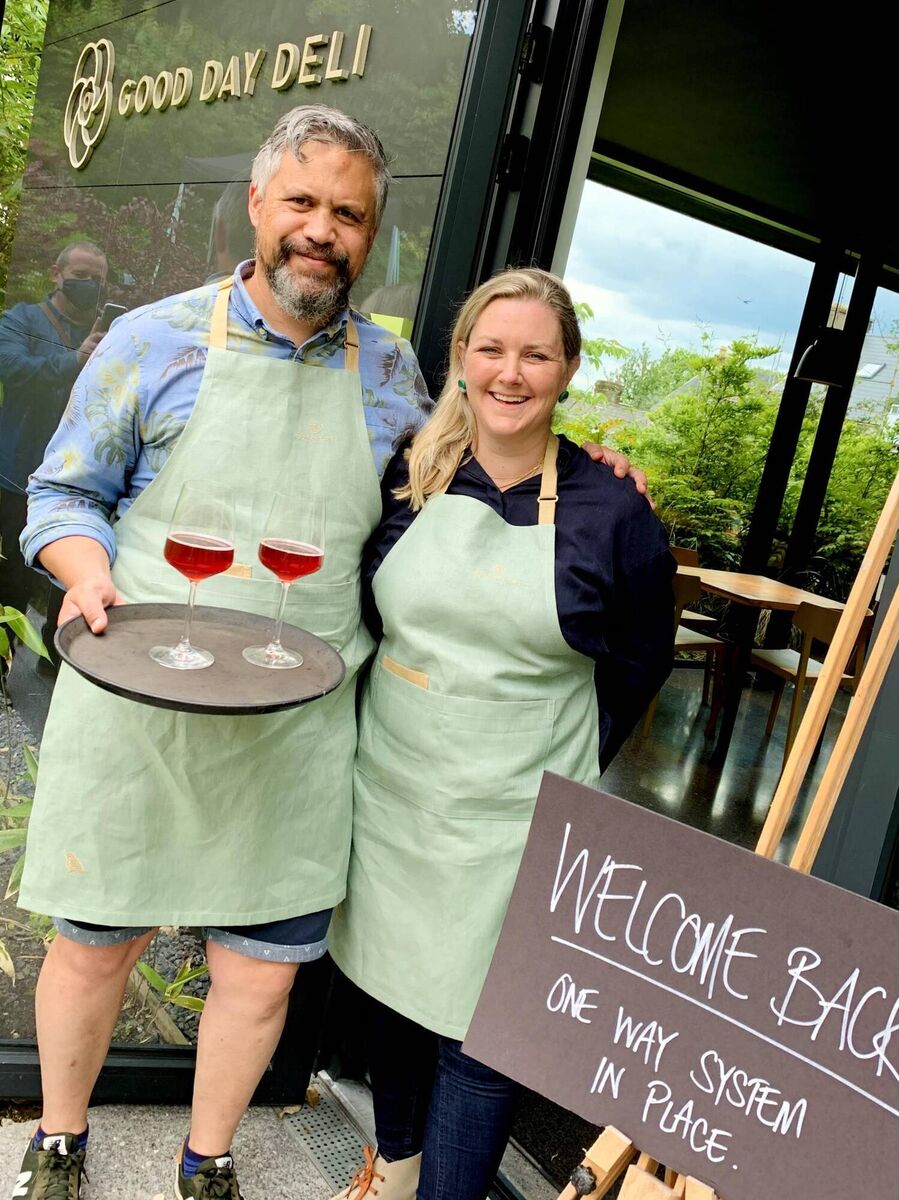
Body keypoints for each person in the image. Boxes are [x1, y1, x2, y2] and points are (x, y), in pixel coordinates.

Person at [10, 106, 641, 1200]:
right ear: (257, 205)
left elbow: (490, 444)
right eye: (301, 202)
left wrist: (598, 477)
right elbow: (62, 491)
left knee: (258, 972)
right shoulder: (151, 339)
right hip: (141, 697)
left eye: (347, 213)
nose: (320, 230)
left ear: (369, 233)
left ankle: (207, 1161)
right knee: (95, 940)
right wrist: (86, 569)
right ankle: (60, 1140)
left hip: (300, 724)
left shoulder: (392, 373)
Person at [328, 269, 675, 1200]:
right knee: (397, 1001)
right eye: (491, 349)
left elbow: (641, 659)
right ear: (462, 360)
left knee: (482, 1037)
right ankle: (393, 1170)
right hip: (395, 790)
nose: (510, 373)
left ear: (566, 370)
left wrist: (552, 754)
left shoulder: (613, 509)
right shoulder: (412, 471)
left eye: (535, 354)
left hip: (518, 816)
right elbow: (363, 605)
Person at [0, 242, 107, 645]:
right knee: (11, 575)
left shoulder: (107, 333)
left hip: (79, 480)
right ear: (56, 273)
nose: (89, 285)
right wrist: (72, 360)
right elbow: (12, 370)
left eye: (97, 280)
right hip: (15, 472)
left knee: (70, 582)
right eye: (81, 276)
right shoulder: (22, 320)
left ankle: (55, 657)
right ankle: (3, 666)